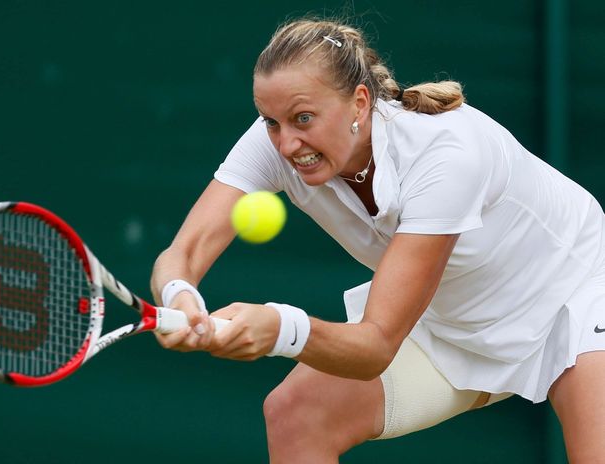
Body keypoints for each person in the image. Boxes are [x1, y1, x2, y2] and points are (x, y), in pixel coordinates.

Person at [149, 17, 605, 463]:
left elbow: (375, 347)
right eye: (271, 121)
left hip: (575, 294)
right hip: (453, 320)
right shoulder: (274, 143)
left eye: (303, 118)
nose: (287, 144)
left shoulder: (446, 153)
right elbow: (183, 253)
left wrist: (280, 328)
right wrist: (180, 294)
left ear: (360, 103)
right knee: (295, 414)